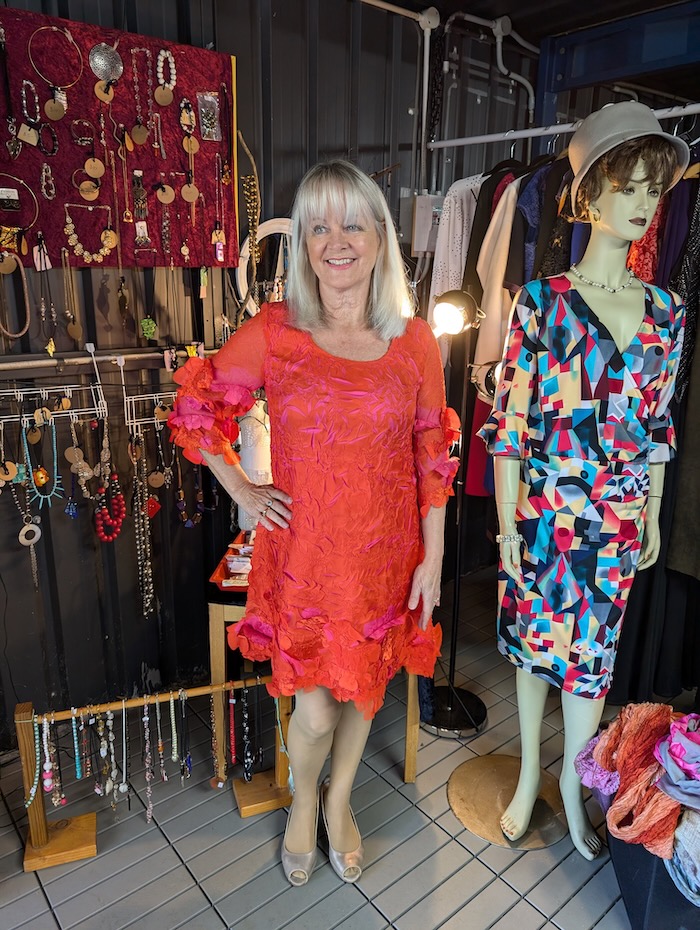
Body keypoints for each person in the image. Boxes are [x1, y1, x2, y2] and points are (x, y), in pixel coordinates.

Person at [169, 160, 458, 885]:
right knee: (319, 709)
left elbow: (432, 452)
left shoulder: (416, 342)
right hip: (307, 559)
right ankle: (304, 803)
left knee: (365, 688)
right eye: (319, 226)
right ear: (303, 244)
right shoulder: (276, 334)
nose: (337, 240)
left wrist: (432, 556)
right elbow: (196, 410)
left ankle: (339, 804)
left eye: (353, 224)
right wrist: (240, 484)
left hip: (387, 556)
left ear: (379, 239)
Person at [479, 102, 689, 859]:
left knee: (589, 661)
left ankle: (570, 784)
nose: (641, 205)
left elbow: (659, 424)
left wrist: (656, 513)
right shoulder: (541, 304)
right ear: (591, 194)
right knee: (538, 647)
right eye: (627, 187)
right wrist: (505, 523)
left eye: (652, 192)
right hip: (541, 514)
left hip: (622, 518)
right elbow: (508, 423)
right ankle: (532, 767)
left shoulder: (668, 312)